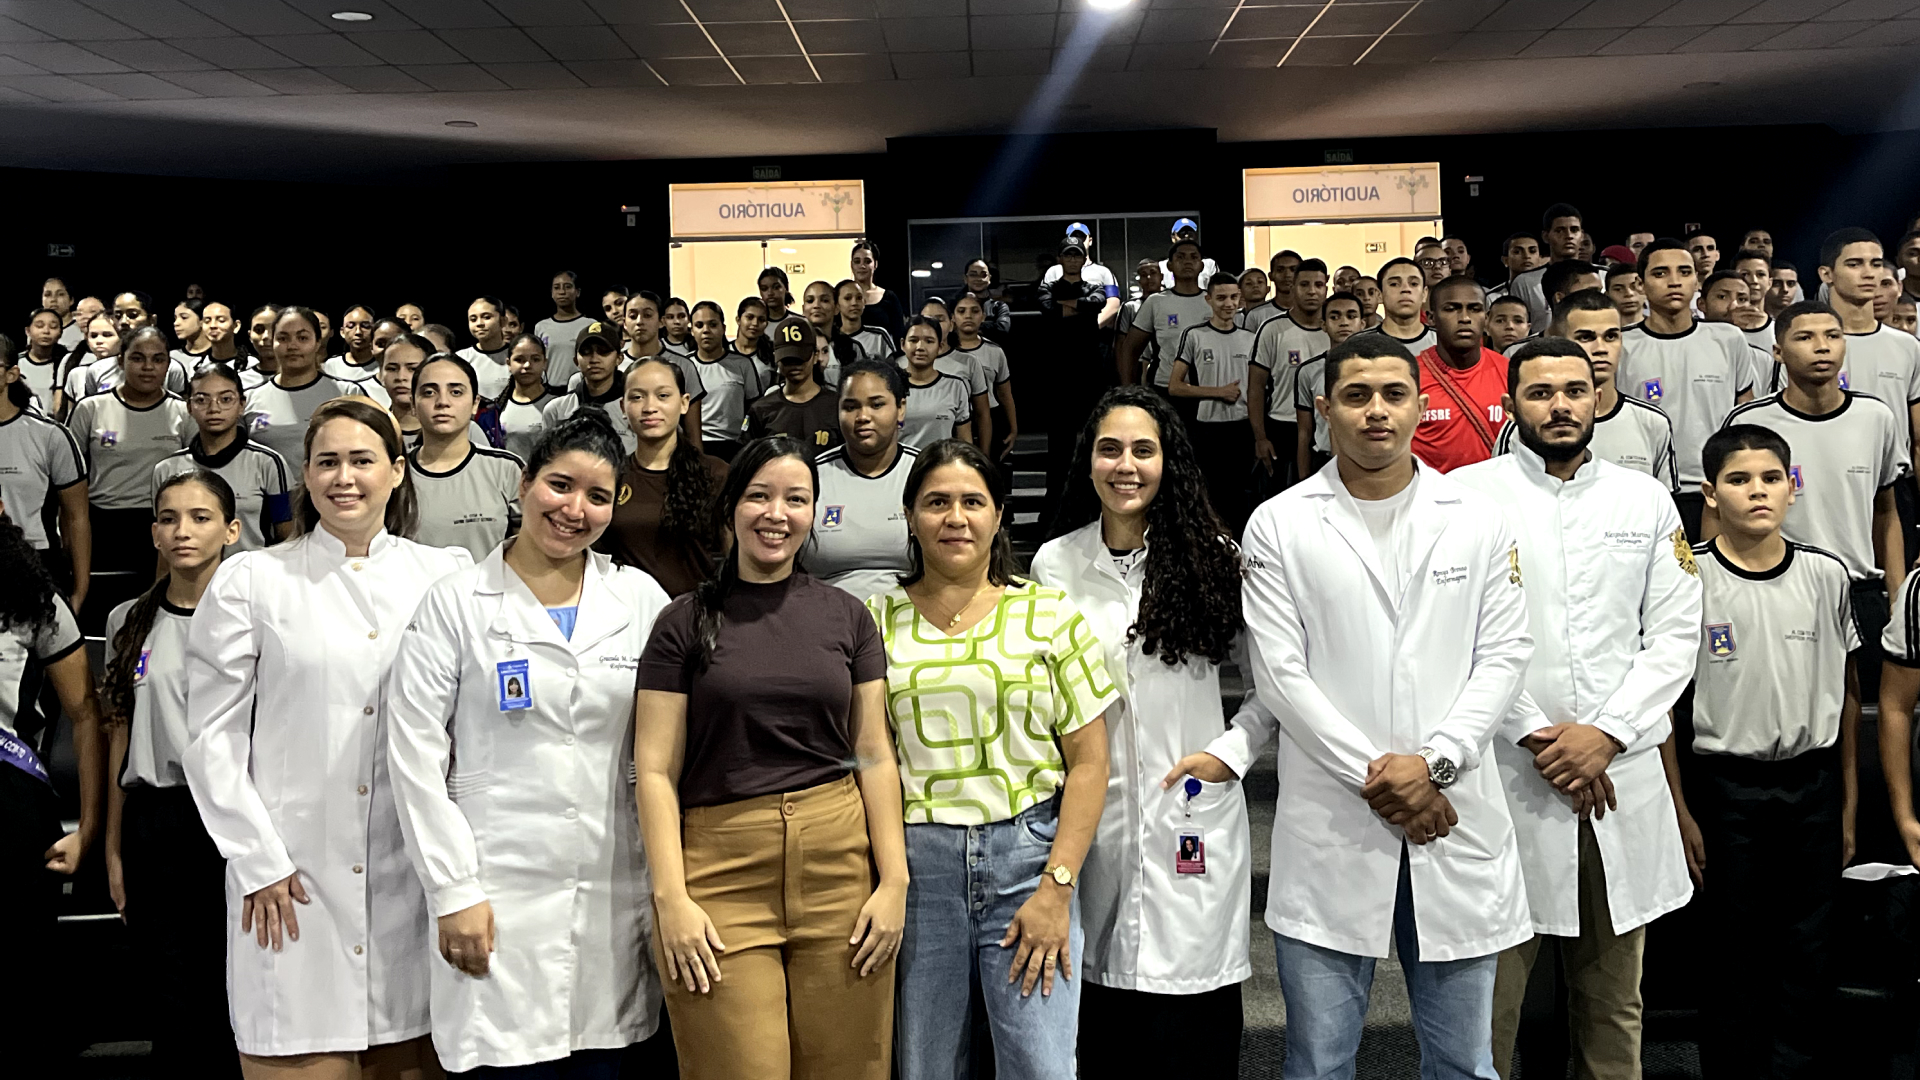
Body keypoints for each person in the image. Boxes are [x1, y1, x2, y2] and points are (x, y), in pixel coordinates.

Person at [1240, 334, 1533, 1080]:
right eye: (1357, 395)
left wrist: (1434, 765)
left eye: (1394, 394)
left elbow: (1504, 656)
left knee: (1464, 1063)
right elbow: (1280, 675)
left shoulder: (1477, 517)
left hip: (1452, 811)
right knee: (1317, 1063)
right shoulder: (1279, 523)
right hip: (1335, 820)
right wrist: (1388, 780)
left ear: (1419, 405)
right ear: (1323, 408)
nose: (1377, 411)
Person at [183, 397, 470, 1077]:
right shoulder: (253, 579)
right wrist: (257, 859)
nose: (345, 477)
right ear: (306, 476)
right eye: (328, 462)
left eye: (362, 460)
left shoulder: (446, 575)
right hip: (290, 878)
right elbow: (211, 739)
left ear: (397, 471)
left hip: (411, 874)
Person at [386, 408, 672, 1077]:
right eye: (559, 485)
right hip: (495, 893)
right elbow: (415, 759)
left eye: (597, 496)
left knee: (608, 1060)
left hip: (612, 894)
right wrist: (453, 890)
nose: (575, 509)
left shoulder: (640, 601)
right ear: (524, 485)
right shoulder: (456, 602)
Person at [1451, 339, 1701, 1080]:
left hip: (1618, 775)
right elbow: (1456, 638)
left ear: (1597, 398)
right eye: (1540, 393)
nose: (1559, 406)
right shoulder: (1464, 497)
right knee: (1486, 1004)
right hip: (1509, 775)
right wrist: (1539, 735)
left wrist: (1606, 735)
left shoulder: (1644, 499)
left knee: (1614, 1002)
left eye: (1575, 390)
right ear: (1510, 404)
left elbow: (1675, 634)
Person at [636, 436, 908, 1079]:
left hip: (838, 868)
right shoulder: (682, 622)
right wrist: (671, 897)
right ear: (731, 505)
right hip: (720, 873)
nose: (776, 514)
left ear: (814, 512)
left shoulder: (849, 618)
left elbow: (873, 754)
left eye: (796, 499)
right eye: (759, 496)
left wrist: (894, 880)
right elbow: (655, 769)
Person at [1034, 386, 1269, 1076]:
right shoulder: (1054, 563)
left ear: (1170, 462)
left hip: (1190, 807)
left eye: (1144, 449)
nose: (1126, 465)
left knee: (1192, 1017)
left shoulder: (1214, 557)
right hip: (1094, 814)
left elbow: (1270, 685)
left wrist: (1228, 754)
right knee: (1101, 1017)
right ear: (1088, 461)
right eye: (1110, 449)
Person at [867, 439, 1114, 1080]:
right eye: (937, 503)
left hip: (1028, 862)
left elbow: (1090, 764)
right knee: (927, 1066)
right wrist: (892, 878)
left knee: (1040, 1065)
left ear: (999, 515)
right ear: (910, 516)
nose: (956, 518)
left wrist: (1057, 888)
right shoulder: (873, 620)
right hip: (920, 869)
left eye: (973, 502)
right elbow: (873, 757)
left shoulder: (1048, 614)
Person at [1662, 424, 1853, 1079]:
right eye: (1739, 480)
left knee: (1809, 948)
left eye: (1771, 478)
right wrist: (1681, 810)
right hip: (1725, 788)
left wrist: (1848, 806)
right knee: (1732, 950)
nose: (1758, 491)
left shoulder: (1825, 574)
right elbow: (1662, 709)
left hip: (1813, 784)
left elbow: (1846, 695)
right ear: (1710, 493)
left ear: (1792, 487)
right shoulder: (1688, 576)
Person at [101, 469, 243, 1078]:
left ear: (231, 530)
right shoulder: (128, 620)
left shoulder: (256, 617)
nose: (182, 530)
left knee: (231, 990)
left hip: (234, 818)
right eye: (168, 518)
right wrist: (113, 848)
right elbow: (120, 735)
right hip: (157, 818)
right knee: (170, 994)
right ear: (154, 533)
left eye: (200, 517)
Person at [1724, 301, 1905, 703]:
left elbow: (1886, 511)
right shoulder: (1750, 423)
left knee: (1859, 706)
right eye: (1805, 337)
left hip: (1858, 587)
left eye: (1832, 336)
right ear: (1777, 351)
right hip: (1775, 587)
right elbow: (1722, 519)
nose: (1822, 346)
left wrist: (1896, 597)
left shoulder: (1876, 417)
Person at [0, 490, 106, 1077]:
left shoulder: (33, 599)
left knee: (21, 974)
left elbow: (86, 714)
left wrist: (88, 828)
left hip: (11, 802)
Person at [1618, 238, 1758, 539]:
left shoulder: (1729, 339)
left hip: (1717, 489)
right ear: (1640, 284)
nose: (1674, 281)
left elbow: (1745, 415)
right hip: (1646, 492)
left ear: (1697, 281)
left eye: (1684, 272)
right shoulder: (1621, 345)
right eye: (1660, 273)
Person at [1499, 290, 1678, 489]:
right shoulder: (1522, 427)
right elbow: (1499, 493)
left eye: (1611, 336)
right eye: (1585, 337)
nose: (1601, 348)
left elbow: (1663, 502)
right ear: (1559, 340)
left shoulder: (1653, 422)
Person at [66, 327, 192, 592]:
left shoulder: (183, 412)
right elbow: (67, 481)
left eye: (158, 359)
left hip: (162, 524)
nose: (148, 367)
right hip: (102, 525)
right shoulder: (90, 408)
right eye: (137, 358)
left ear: (168, 364)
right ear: (120, 361)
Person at [595, 355, 727, 597]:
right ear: (623, 407)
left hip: (696, 612)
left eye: (663, 395)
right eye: (637, 397)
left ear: (684, 403)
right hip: (628, 612)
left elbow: (736, 557)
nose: (649, 407)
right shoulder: (610, 477)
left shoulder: (716, 474)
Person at [153, 362, 293, 552]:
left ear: (241, 405)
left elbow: (287, 537)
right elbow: (163, 542)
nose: (214, 408)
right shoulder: (167, 469)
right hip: (189, 570)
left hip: (251, 568)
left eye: (225, 399)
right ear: (189, 407)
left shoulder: (268, 463)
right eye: (202, 400)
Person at [811, 360, 916, 602]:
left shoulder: (927, 474)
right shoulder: (811, 476)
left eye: (876, 405)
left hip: (915, 616)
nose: (863, 417)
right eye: (850, 407)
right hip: (827, 615)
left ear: (900, 408)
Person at [409, 355, 524, 562]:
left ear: (474, 403)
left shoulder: (507, 468)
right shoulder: (394, 473)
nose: (443, 402)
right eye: (429, 392)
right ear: (413, 405)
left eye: (456, 392)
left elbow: (530, 547)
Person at [0, 349, 90, 603]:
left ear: (11, 374)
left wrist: (80, 591)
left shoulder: (49, 435)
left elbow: (77, 517)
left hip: (35, 561)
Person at [1168, 272, 1256, 531]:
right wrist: (1218, 392)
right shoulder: (1194, 335)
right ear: (1209, 300)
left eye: (1233, 297)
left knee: (1240, 495)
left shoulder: (1250, 338)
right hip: (1207, 428)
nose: (1228, 304)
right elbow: (1175, 386)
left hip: (1243, 427)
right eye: (1221, 298)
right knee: (1210, 495)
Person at [242, 306, 369, 467]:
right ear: (273, 342)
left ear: (317, 342)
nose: (292, 346)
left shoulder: (348, 393)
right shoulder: (250, 399)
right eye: (283, 338)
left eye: (302, 338)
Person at [1411, 276, 1506, 473]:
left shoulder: (1509, 371)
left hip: (1496, 489)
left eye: (1474, 309)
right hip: (1430, 490)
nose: (1464, 318)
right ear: (1431, 318)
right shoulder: (1409, 376)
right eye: (1451, 309)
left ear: (1486, 318)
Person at [1249, 259, 1331, 485]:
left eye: (1318, 285)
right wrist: (1260, 437)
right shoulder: (1271, 329)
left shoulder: (1337, 329)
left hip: (1326, 428)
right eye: (1304, 285)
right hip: (1283, 427)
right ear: (1293, 287)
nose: (1312, 291)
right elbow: (1256, 387)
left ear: (1327, 286)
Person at [1291, 291, 1367, 478]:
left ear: (1362, 324)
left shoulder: (1376, 368)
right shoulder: (1308, 371)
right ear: (1323, 325)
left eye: (1351, 316)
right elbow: (1304, 432)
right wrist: (1303, 478)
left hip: (1365, 456)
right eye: (1335, 316)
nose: (1344, 322)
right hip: (1323, 459)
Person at [1119, 240, 1210, 390]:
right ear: (1169, 265)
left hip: (1209, 387)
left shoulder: (1214, 302)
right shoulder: (1155, 302)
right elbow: (1130, 349)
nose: (1187, 262)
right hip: (1164, 387)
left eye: (1194, 257)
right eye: (1180, 257)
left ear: (1201, 265)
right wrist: (1127, 391)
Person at [746, 316, 840, 453]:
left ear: (815, 356)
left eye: (800, 358)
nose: (795, 365)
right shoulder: (761, 410)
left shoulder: (837, 405)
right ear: (776, 358)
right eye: (788, 359)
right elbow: (748, 459)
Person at [687, 301, 766, 464]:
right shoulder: (684, 365)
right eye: (699, 325)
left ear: (723, 328)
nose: (706, 331)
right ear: (692, 330)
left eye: (712, 324)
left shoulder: (743, 364)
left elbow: (755, 410)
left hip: (734, 447)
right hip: (693, 446)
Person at [548, 321, 641, 456]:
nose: (594, 359)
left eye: (604, 352)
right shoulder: (557, 410)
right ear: (576, 361)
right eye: (586, 352)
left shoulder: (636, 407)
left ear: (619, 358)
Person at [952, 293, 1017, 459]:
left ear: (983, 316)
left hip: (991, 416)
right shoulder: (944, 352)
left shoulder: (995, 351)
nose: (968, 316)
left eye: (974, 311)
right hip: (954, 418)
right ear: (952, 318)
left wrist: (1013, 428)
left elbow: (1005, 393)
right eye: (961, 311)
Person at [484, 332, 562, 462]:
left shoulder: (557, 406)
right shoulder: (497, 408)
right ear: (509, 364)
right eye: (519, 360)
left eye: (535, 359)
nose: (527, 365)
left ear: (545, 363)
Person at [897, 317, 973, 449]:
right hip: (901, 461)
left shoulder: (955, 386)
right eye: (913, 340)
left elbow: (964, 440)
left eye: (929, 341)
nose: (920, 347)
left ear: (940, 347)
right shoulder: (889, 385)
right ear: (903, 344)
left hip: (941, 461)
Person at [1510, 203, 1587, 326]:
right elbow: (1518, 327)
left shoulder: (1602, 276)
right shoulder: (1525, 282)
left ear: (1582, 235)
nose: (1568, 236)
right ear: (1546, 236)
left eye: (1574, 230)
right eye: (1559, 231)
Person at [1350, 257, 1437, 357]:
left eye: (1413, 284)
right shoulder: (1358, 344)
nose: (1405, 289)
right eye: (1394, 284)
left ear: (1424, 294)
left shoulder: (1442, 341)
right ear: (1379, 295)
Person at [1042, 224, 1123, 331]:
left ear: (1090, 240)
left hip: (1093, 334)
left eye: (1082, 237)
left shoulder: (1104, 272)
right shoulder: (1053, 271)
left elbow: (1113, 303)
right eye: (1073, 237)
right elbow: (1046, 304)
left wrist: (1092, 326)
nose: (1078, 240)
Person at [535, 270, 589, 387]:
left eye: (567, 287)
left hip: (581, 390)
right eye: (557, 287)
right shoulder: (541, 326)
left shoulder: (590, 325)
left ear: (577, 292)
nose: (562, 292)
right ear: (552, 293)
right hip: (550, 389)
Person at [852, 239, 908, 341]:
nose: (862, 266)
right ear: (851, 265)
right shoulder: (841, 295)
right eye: (857, 261)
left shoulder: (889, 298)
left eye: (867, 261)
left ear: (875, 264)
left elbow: (899, 335)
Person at [458, 296, 513, 398]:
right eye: (473, 319)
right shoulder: (461, 358)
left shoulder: (516, 355)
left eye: (487, 317)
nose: (479, 323)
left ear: (503, 321)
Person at [837, 278, 897, 362]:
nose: (854, 303)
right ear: (837, 305)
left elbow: (891, 368)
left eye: (859, 298)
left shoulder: (879, 336)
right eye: (848, 298)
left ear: (864, 303)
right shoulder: (831, 339)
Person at [20, 307, 66, 408]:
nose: (46, 331)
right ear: (27, 331)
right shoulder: (15, 363)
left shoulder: (67, 363)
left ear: (60, 333)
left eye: (53, 327)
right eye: (39, 326)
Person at [323, 305, 380, 386]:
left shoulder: (382, 365)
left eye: (365, 326)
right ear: (342, 332)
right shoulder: (331, 365)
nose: (358, 332)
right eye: (351, 326)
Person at [961, 259, 1013, 336]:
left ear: (989, 278)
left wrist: (968, 325)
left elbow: (1002, 328)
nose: (979, 279)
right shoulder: (954, 304)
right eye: (973, 275)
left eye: (983, 275)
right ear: (965, 278)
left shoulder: (999, 306)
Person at [1488, 233, 1543, 302]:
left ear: (1540, 259)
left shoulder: (1549, 291)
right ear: (1505, 260)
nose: (1527, 256)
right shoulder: (1493, 298)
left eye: (1532, 251)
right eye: (1517, 252)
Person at [173, 299, 212, 366]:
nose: (176, 323)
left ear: (203, 320)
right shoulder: (172, 358)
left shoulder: (219, 356)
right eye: (175, 318)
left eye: (184, 317)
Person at [1237, 267, 1277, 331]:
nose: (1255, 286)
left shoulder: (1276, 315)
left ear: (1268, 289)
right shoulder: (1234, 317)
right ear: (1240, 291)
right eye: (1249, 283)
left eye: (1260, 282)